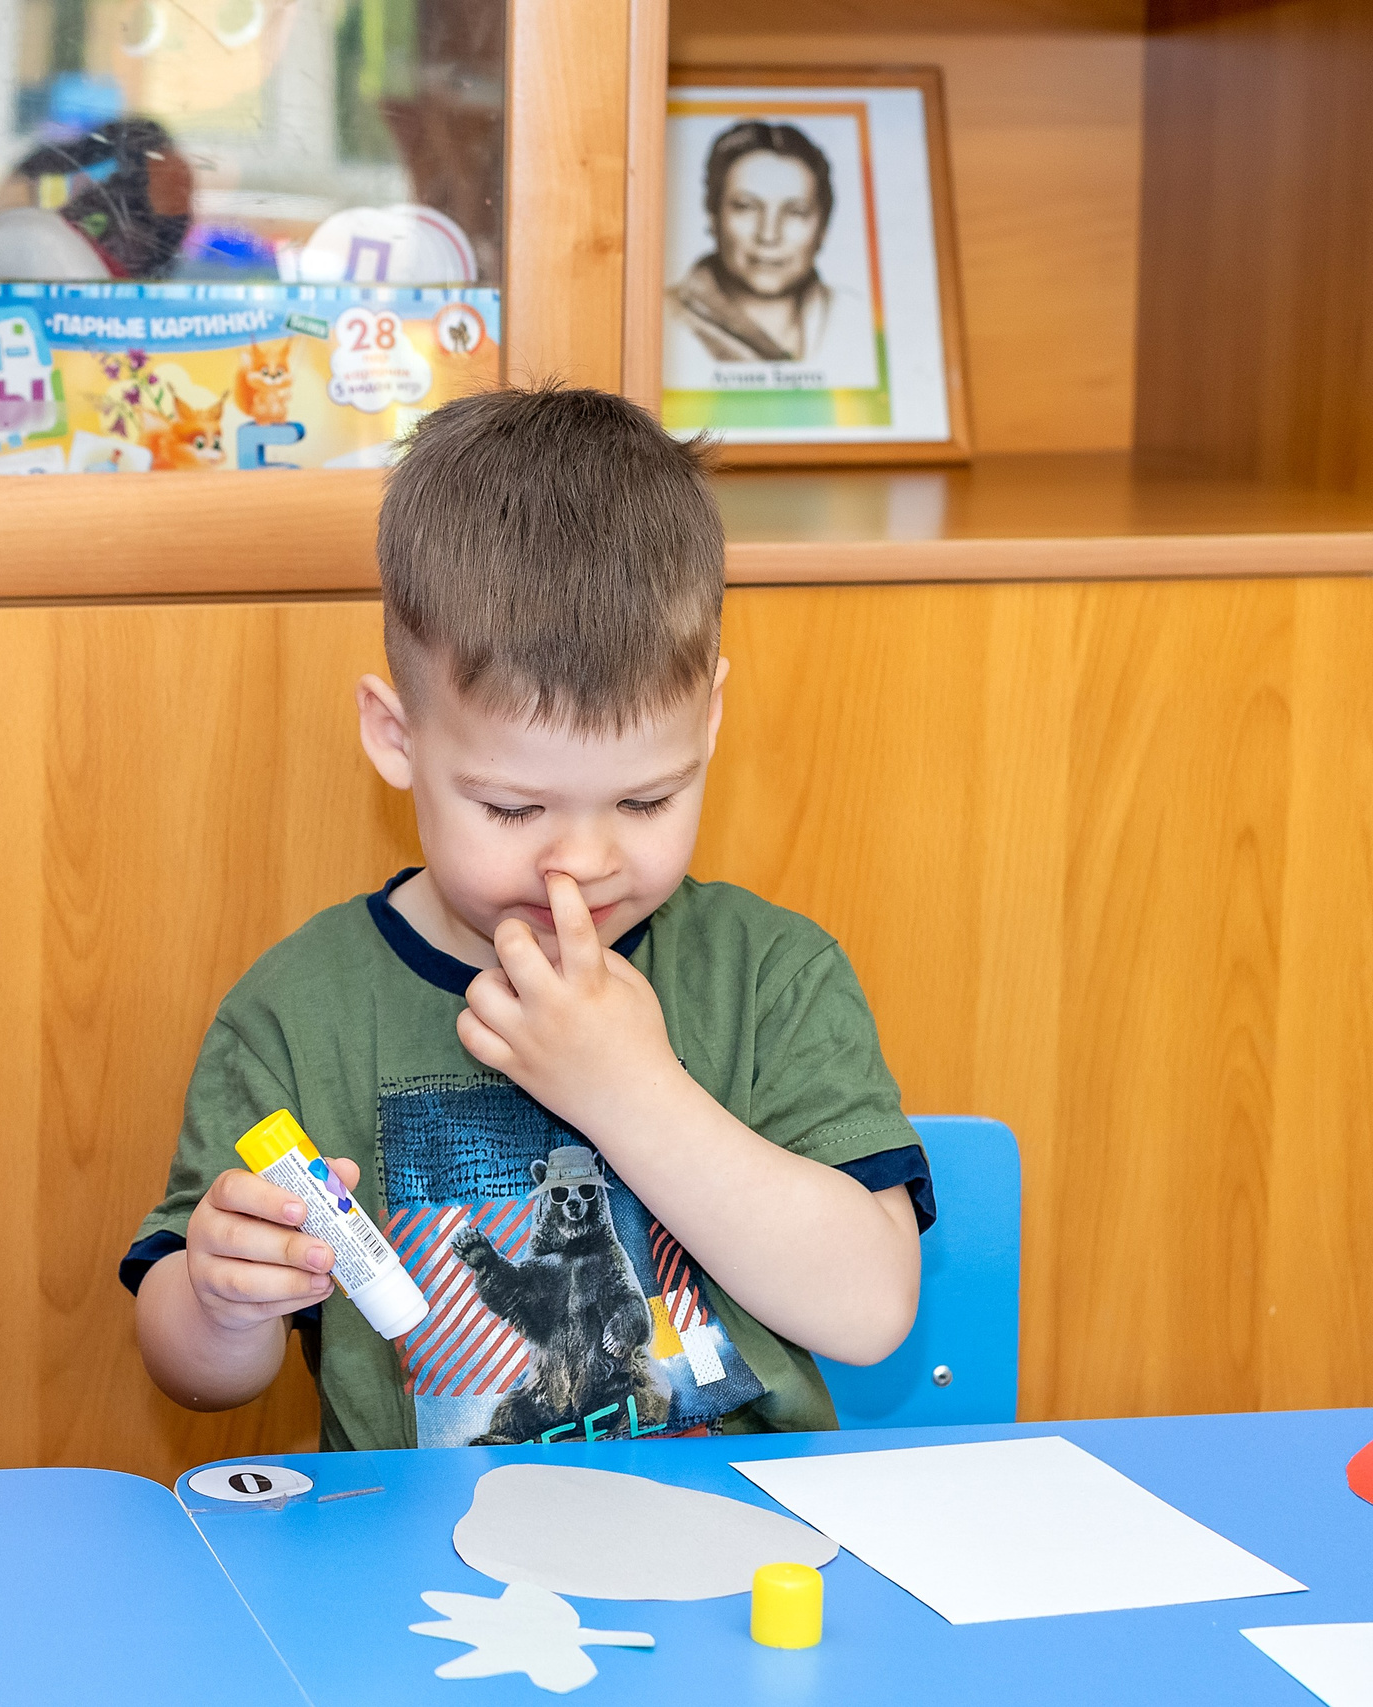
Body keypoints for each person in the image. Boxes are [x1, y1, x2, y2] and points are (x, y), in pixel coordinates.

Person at [125, 385, 931, 1449]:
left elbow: (869, 1313)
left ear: (711, 721)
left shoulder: (768, 975)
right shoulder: (297, 1013)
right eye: (512, 807)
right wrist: (223, 1302)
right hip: (426, 1568)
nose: (586, 862)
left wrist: (629, 1091)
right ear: (396, 736)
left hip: (736, 1550)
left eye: (646, 800)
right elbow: (196, 1378)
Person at [665, 120, 873, 378]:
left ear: (823, 226)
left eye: (795, 212)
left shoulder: (858, 321)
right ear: (712, 215)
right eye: (746, 206)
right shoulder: (663, 322)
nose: (769, 235)